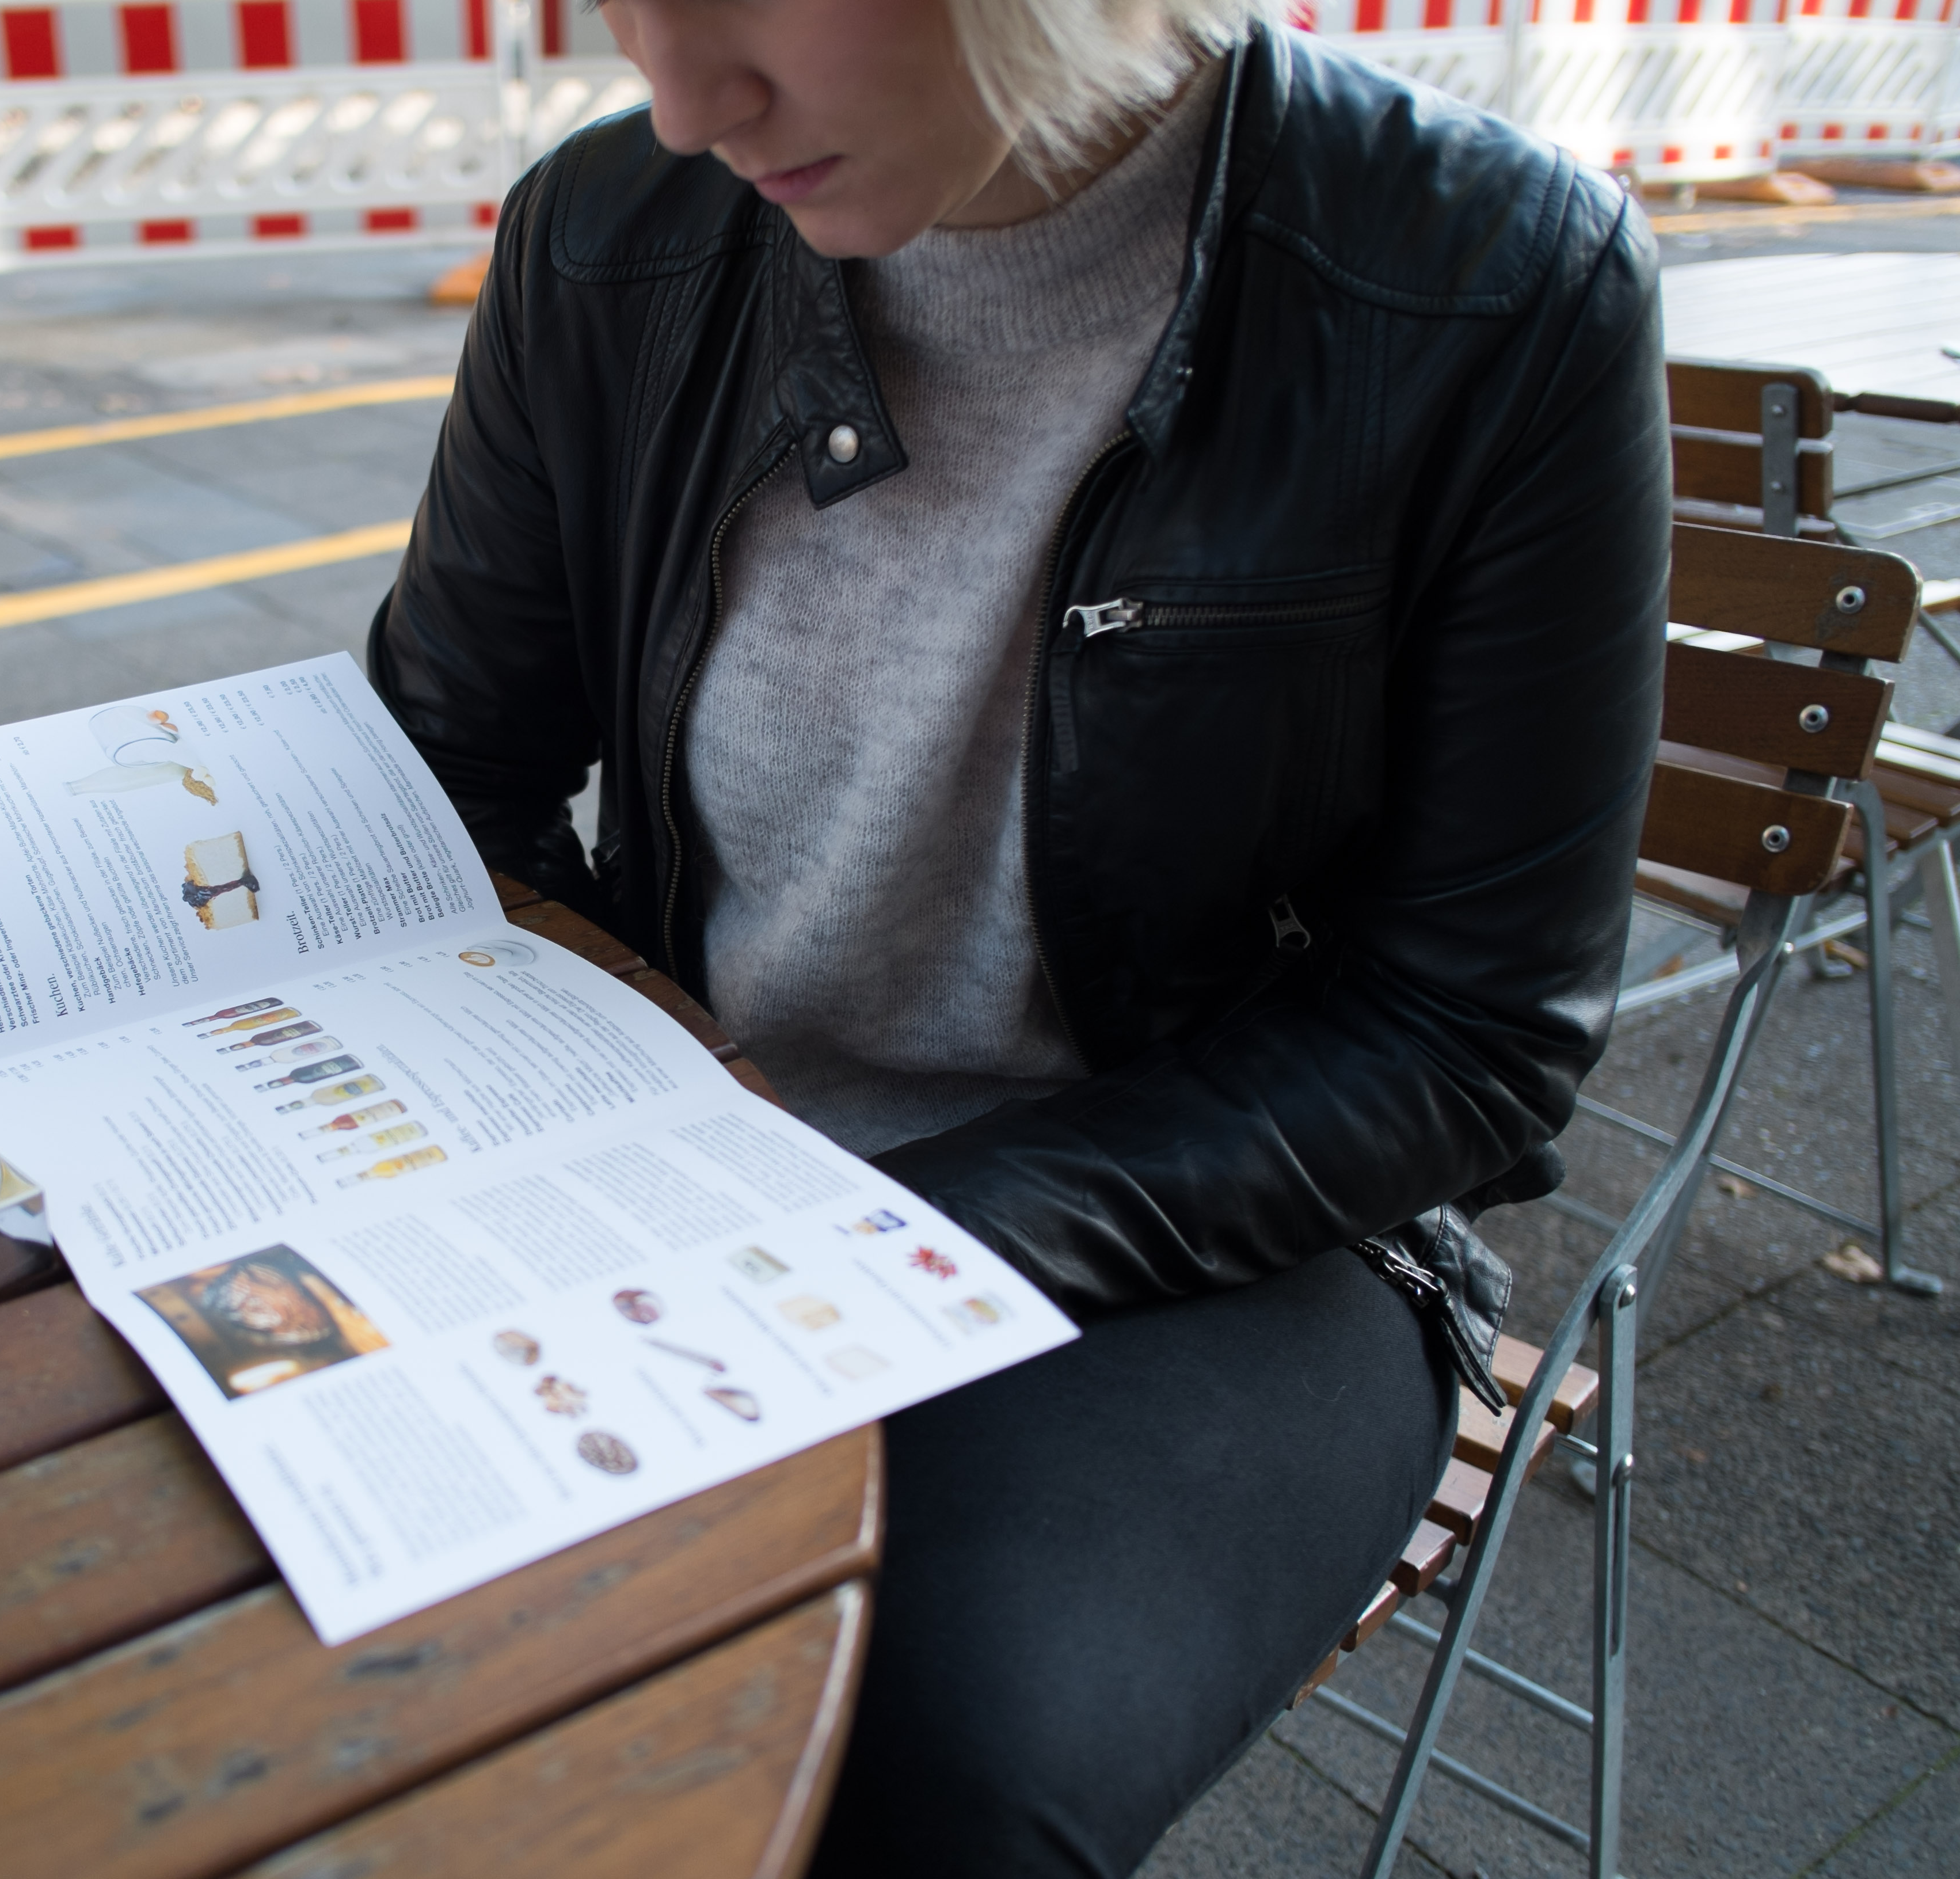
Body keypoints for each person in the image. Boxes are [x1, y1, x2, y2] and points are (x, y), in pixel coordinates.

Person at [368, 0, 1666, 1870]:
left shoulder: (1485, 279)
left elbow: (1468, 1035)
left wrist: (881, 1243)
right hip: (686, 1161)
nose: (689, 101)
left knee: (916, 1764)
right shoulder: (607, 233)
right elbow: (446, 778)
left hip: (1232, 1230)